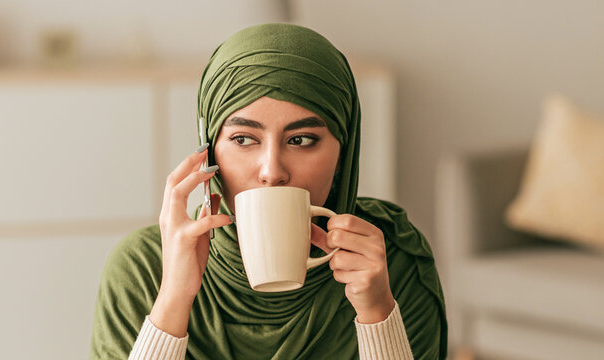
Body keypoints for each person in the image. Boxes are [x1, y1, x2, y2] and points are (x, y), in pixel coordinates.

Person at [90, 23, 447, 359]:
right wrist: (173, 300)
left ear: (344, 153)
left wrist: (378, 314)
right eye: (243, 139)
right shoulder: (143, 269)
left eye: (302, 140)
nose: (272, 171)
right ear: (209, 150)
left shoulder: (393, 264)